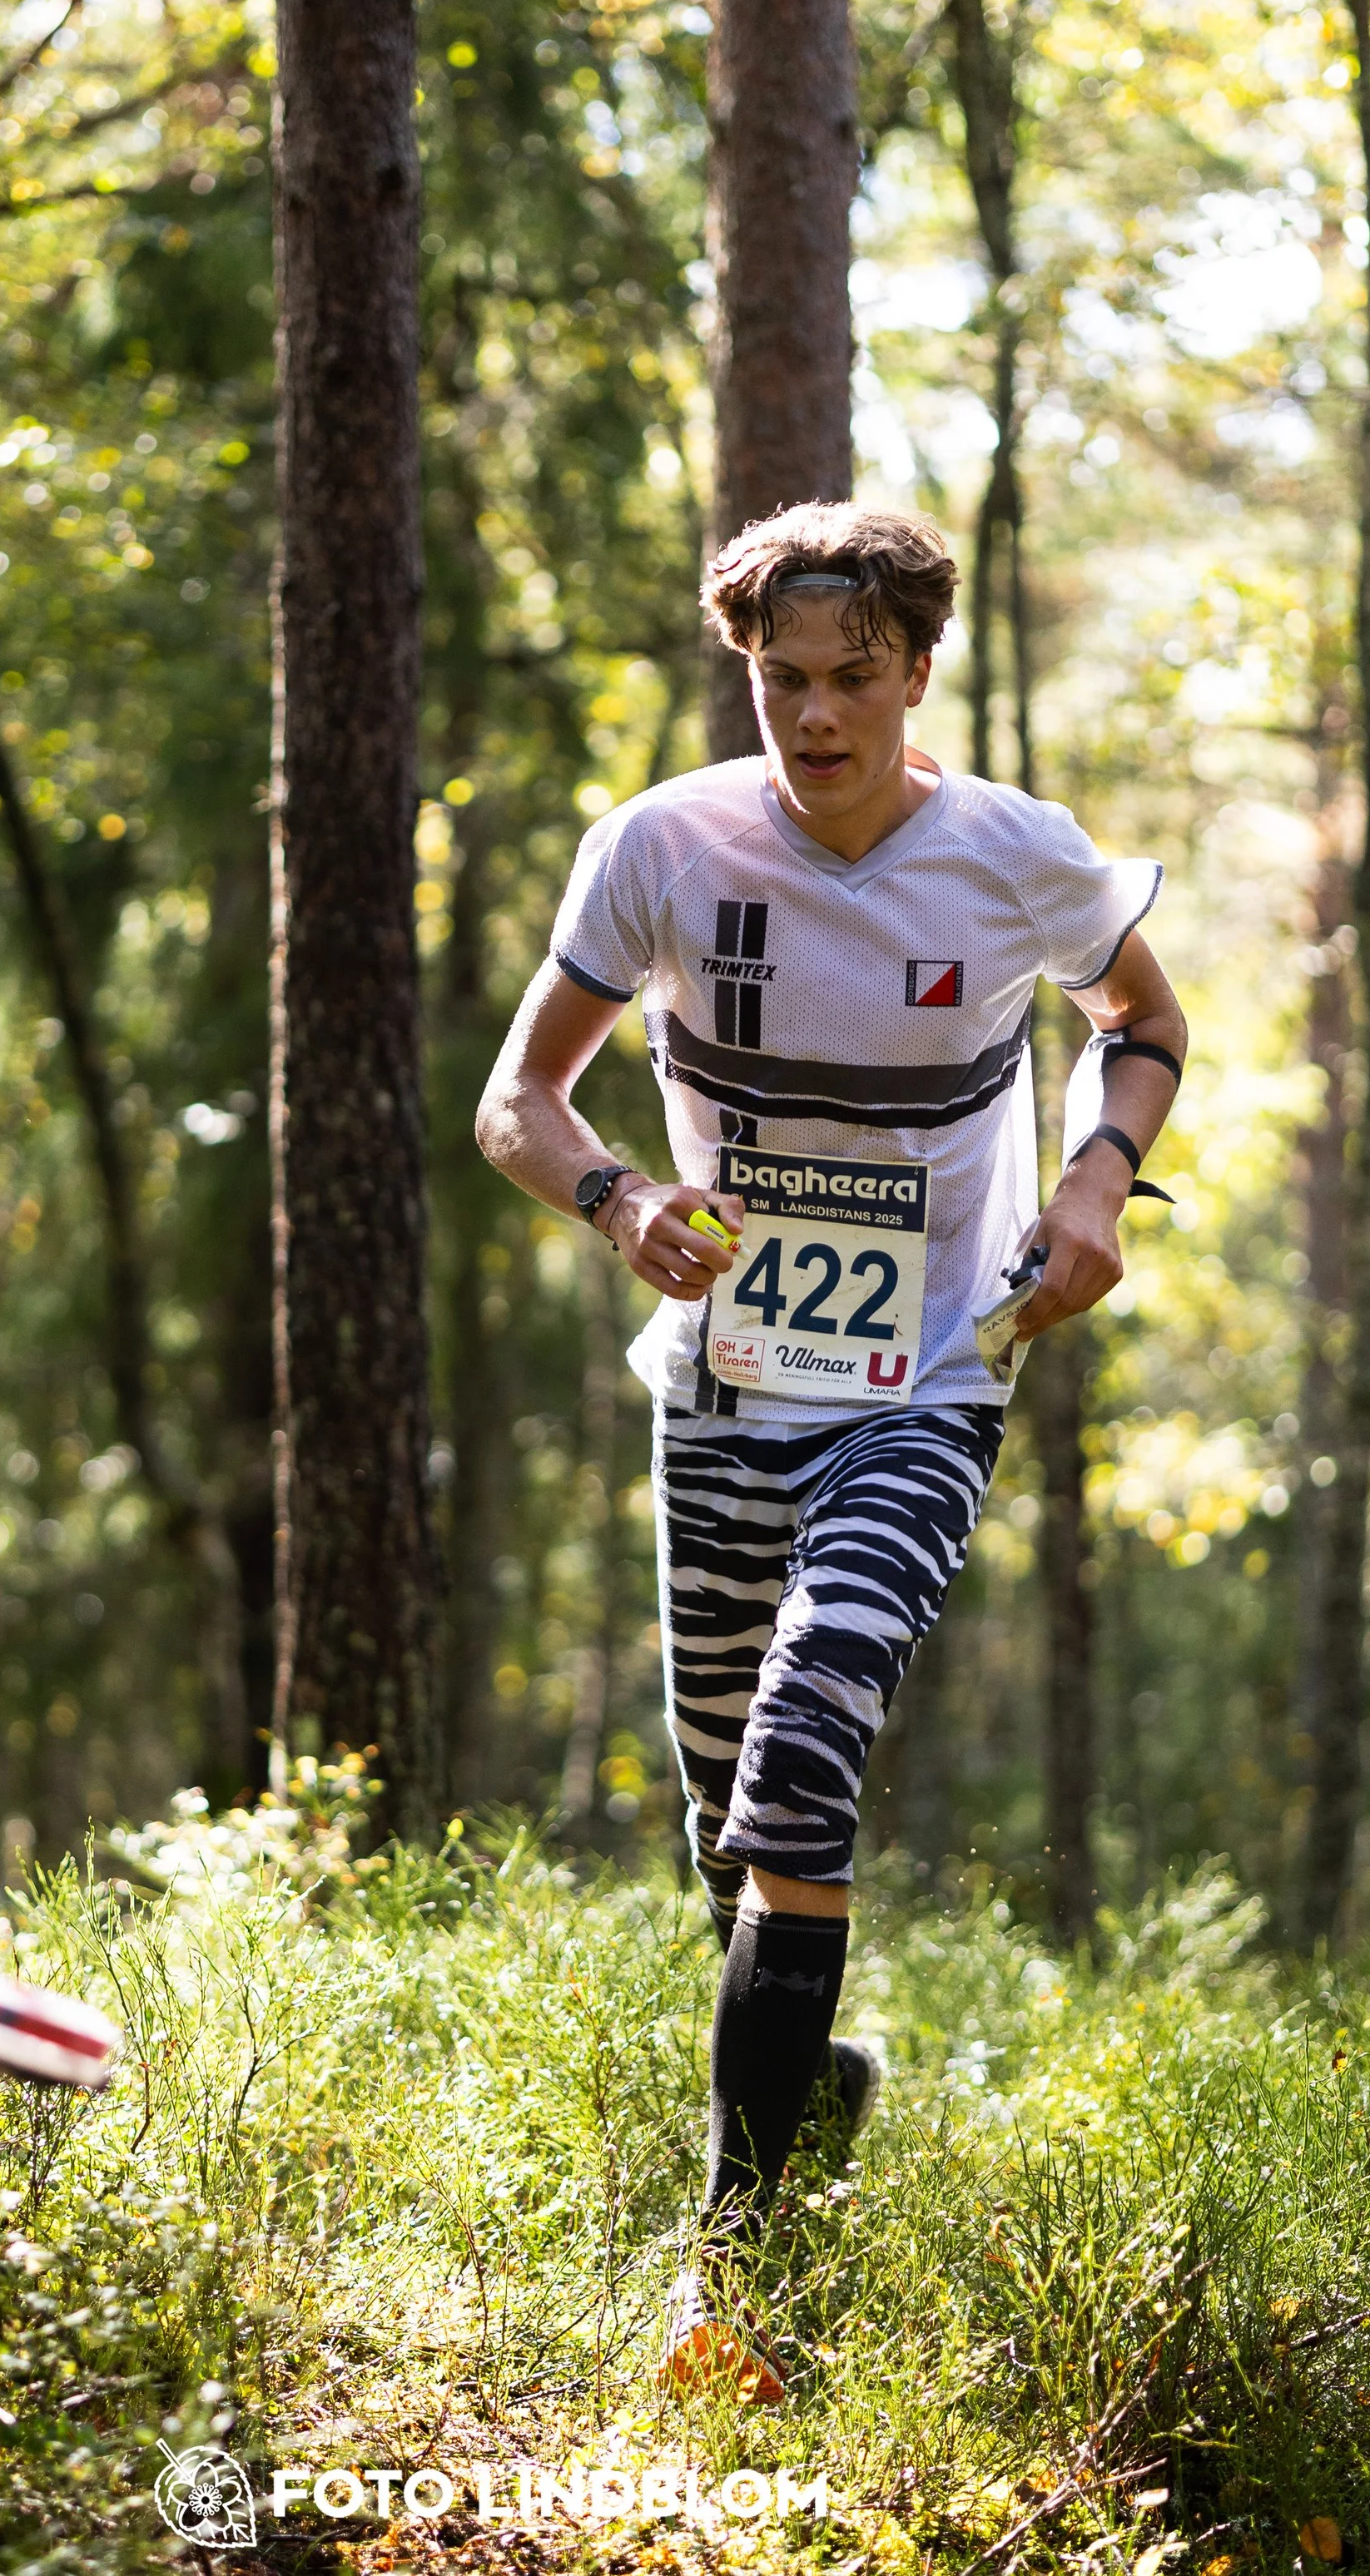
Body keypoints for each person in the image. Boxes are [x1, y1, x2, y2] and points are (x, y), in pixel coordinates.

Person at [474, 502, 1186, 2400]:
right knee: (734, 1844)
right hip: (715, 1385)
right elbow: (517, 1096)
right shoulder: (662, 844)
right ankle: (819, 2086)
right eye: (780, 680)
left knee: (803, 1754)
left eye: (850, 678)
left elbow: (1143, 1021)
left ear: (917, 670)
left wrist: (1097, 1186)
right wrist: (622, 1201)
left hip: (924, 1382)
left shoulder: (1012, 856)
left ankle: (729, 2276)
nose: (814, 716)